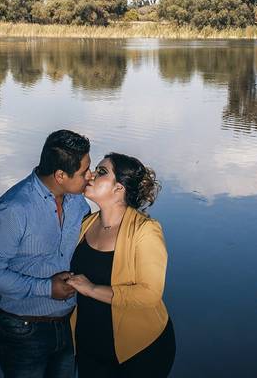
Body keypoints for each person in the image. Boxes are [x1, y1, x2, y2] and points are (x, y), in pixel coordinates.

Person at [0, 129, 94, 378]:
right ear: (60, 175)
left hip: (69, 324)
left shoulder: (78, 203)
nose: (90, 177)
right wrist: (46, 288)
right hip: (23, 331)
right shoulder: (13, 210)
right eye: (84, 172)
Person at [66, 153, 176, 377]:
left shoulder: (145, 231)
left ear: (119, 189)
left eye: (102, 171)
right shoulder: (86, 223)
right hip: (88, 344)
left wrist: (91, 289)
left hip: (139, 350)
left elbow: (149, 294)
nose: (92, 175)